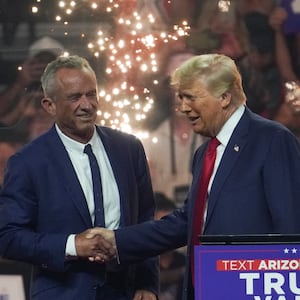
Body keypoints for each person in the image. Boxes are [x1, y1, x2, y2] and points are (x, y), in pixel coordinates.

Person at [87, 53, 300, 300]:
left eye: (191, 97)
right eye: (180, 98)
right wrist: (118, 240)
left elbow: (292, 231)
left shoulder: (271, 139)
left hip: (252, 290)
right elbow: (187, 222)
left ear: (224, 97)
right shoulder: (204, 153)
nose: (183, 107)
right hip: (207, 289)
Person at [0, 55, 158, 300]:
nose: (86, 105)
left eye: (91, 94)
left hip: (127, 292)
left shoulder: (128, 148)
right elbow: (8, 237)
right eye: (74, 97)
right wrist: (73, 246)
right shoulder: (28, 162)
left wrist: (147, 283)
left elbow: (146, 221)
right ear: (49, 105)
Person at [153, 192, 185, 300]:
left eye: (171, 227)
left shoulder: (185, 261)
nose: (167, 234)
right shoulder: (141, 266)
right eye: (161, 227)